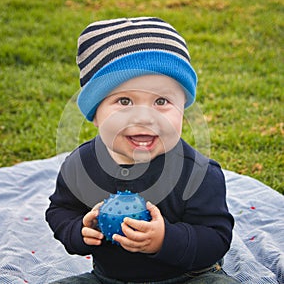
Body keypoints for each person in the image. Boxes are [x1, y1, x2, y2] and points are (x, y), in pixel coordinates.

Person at [46, 17, 240, 284]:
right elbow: (60, 210)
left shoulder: (198, 172)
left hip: (186, 277)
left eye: (161, 101)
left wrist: (165, 239)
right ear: (95, 115)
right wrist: (79, 231)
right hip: (109, 279)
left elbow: (216, 237)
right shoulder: (81, 165)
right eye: (124, 101)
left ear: (183, 108)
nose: (145, 118)